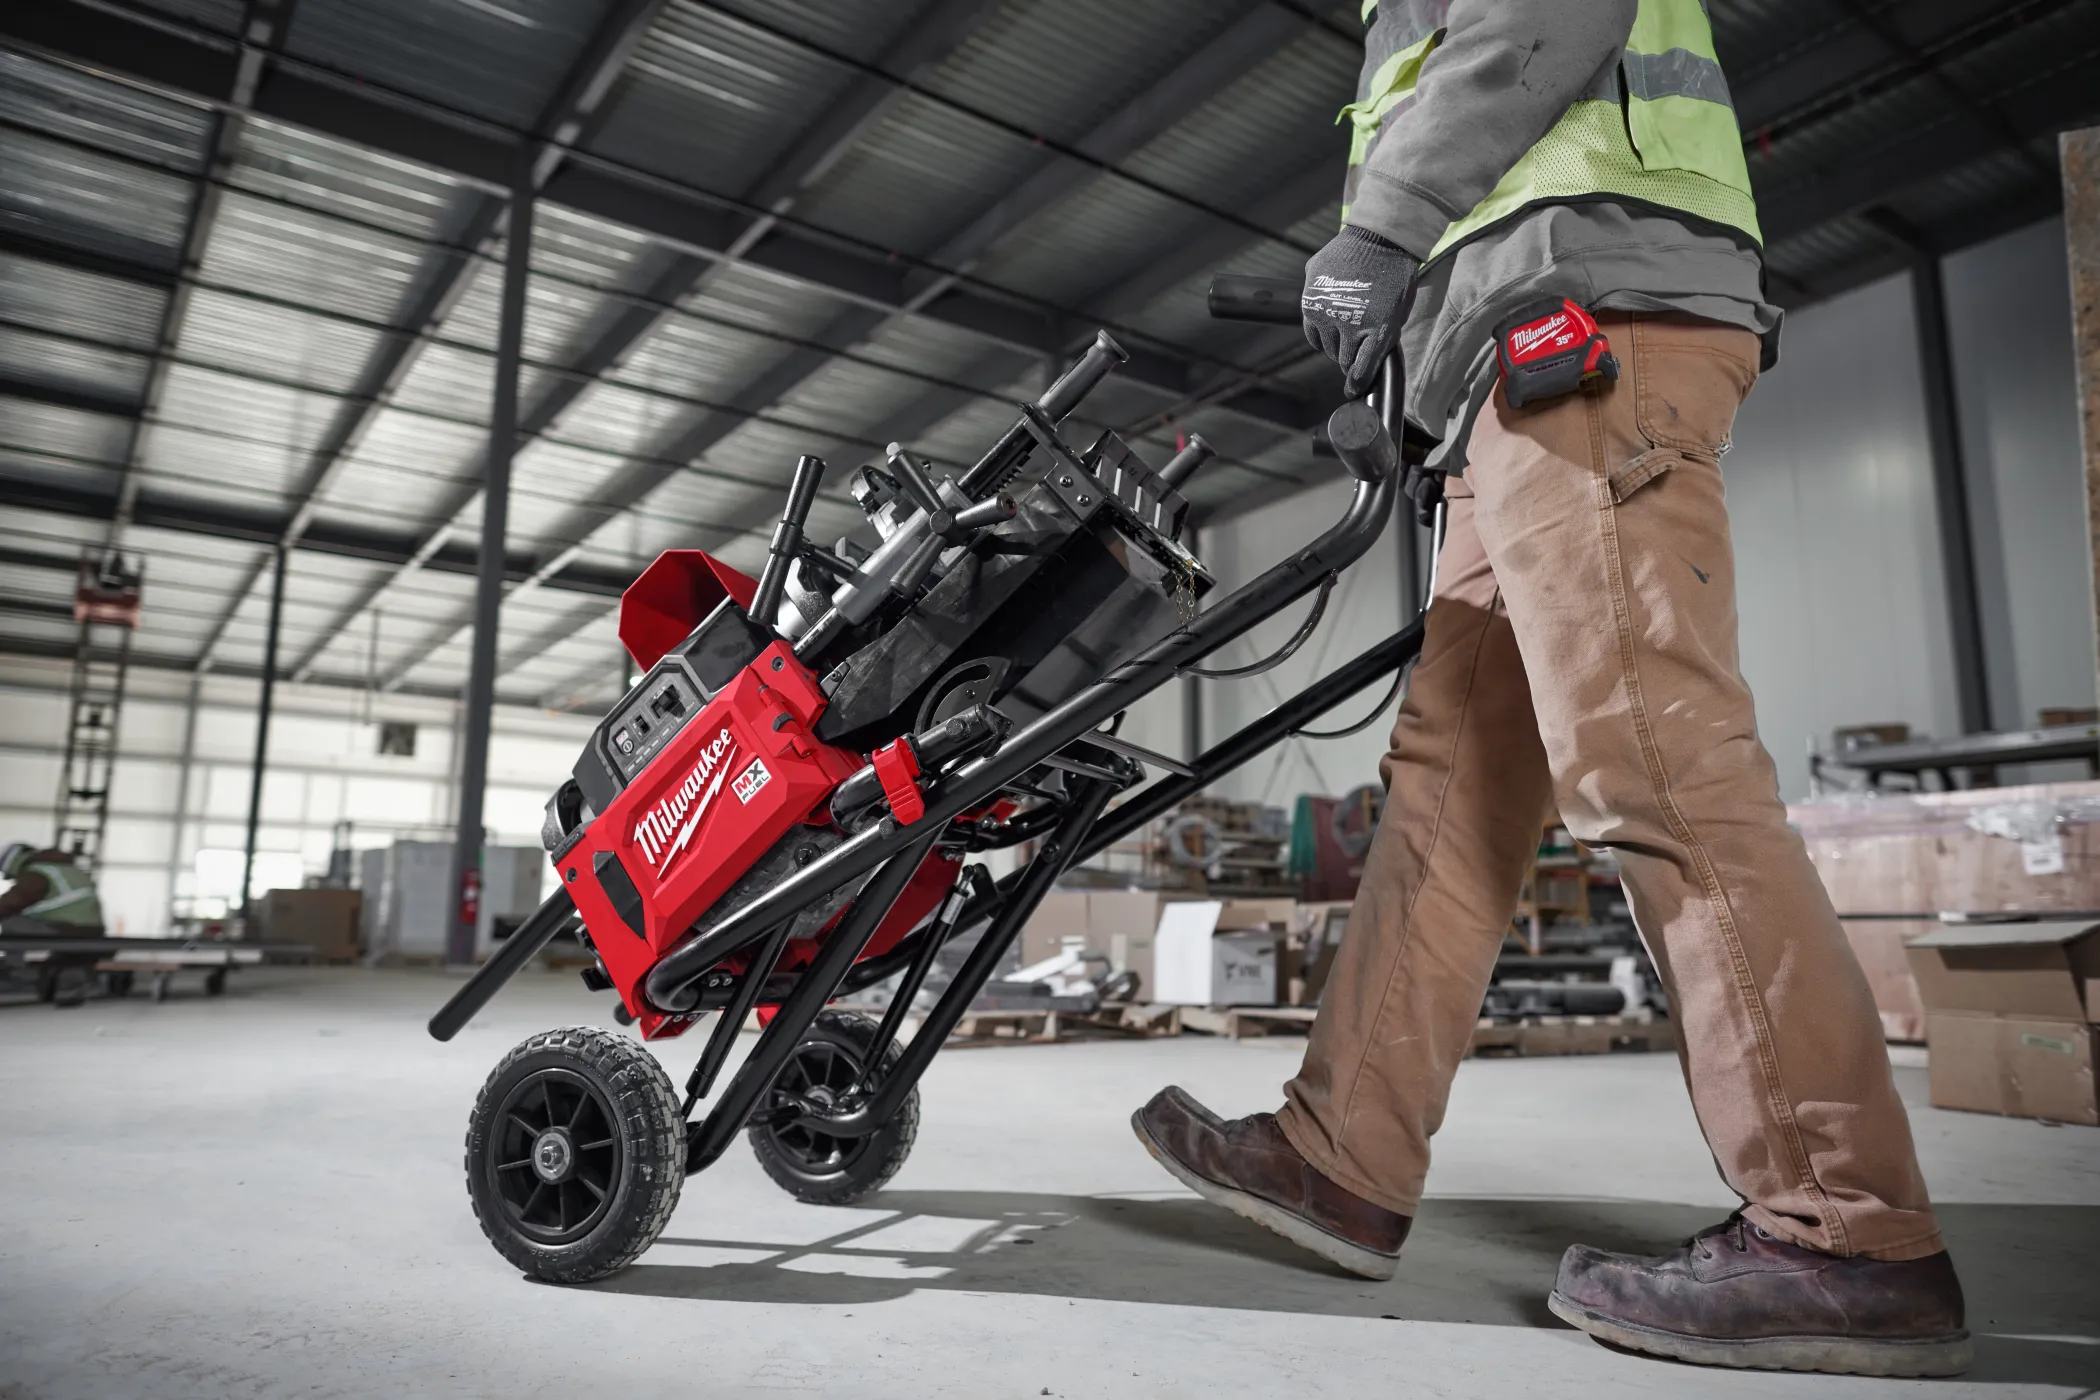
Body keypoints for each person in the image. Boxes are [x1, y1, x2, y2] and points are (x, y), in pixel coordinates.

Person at [1132, 0, 1969, 1378]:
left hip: (1591, 317)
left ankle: (1844, 1229)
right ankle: (1343, 1153)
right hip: (1499, 365)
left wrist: (1383, 226)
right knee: (1450, 796)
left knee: (1657, 761)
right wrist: (1415, 361)